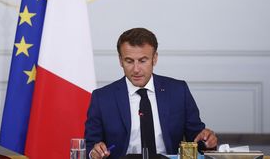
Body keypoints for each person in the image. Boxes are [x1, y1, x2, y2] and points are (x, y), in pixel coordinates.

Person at [85, 28, 217, 159]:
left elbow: (197, 139)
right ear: (120, 60)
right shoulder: (102, 98)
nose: (136, 69)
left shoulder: (178, 91)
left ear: (154, 59)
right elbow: (90, 146)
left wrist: (207, 141)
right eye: (129, 61)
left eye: (143, 61)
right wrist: (94, 152)